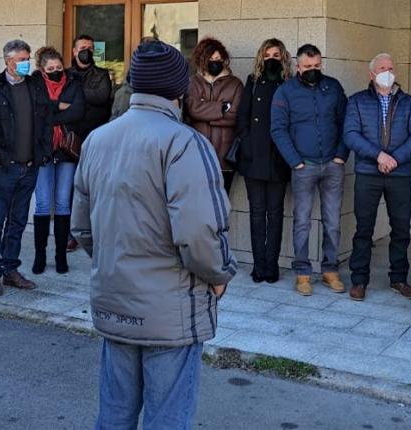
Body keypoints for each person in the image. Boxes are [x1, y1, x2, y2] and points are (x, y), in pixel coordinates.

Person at [73, 40, 236, 429]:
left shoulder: (98, 139)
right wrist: (218, 275)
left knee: (114, 414)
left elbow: (82, 226)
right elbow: (199, 233)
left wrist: (115, 261)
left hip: (115, 294)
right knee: (167, 417)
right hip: (170, 307)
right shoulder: (184, 143)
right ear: (179, 89)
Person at [344, 53, 411, 301]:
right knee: (364, 229)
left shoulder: (408, 102)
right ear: (371, 74)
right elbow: (350, 134)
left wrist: (395, 159)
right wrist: (379, 156)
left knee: (401, 228)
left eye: (390, 68)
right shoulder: (357, 101)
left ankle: (399, 278)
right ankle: (359, 280)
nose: (387, 71)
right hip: (368, 173)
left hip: (399, 174)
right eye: (382, 68)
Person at [270, 44, 348, 297]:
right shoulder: (285, 91)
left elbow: (346, 123)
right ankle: (302, 273)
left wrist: (340, 155)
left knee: (333, 221)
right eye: (307, 67)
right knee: (302, 221)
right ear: (297, 65)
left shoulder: (333, 87)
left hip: (332, 165)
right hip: (303, 166)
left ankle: (330, 270)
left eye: (316, 66)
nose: (312, 70)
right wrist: (295, 161)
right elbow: (278, 129)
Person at [0, 39, 51, 297]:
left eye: (27, 58)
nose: (25, 63)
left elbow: (45, 121)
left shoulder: (35, 85)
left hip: (29, 166)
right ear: (7, 61)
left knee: (18, 221)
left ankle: (10, 268)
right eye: (21, 59)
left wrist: (42, 154)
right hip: (3, 167)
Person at [236, 39, 292, 284]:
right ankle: (259, 266)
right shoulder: (253, 82)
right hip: (254, 159)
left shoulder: (289, 84)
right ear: (261, 57)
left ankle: (272, 266)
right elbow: (242, 119)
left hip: (279, 158)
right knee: (257, 213)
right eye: (267, 54)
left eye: (276, 54)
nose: (271, 58)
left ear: (283, 58)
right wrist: (248, 146)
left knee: (276, 213)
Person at [31, 47, 85, 275]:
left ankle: (61, 255)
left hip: (66, 150)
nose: (55, 72)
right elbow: (35, 112)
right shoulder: (34, 84)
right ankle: (40, 255)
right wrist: (58, 107)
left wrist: (49, 114)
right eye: (50, 69)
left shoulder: (73, 81)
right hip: (42, 149)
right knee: (43, 204)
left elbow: (78, 112)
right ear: (42, 70)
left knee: (63, 202)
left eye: (58, 68)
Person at [65, 34, 112, 253]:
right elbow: (59, 101)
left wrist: (74, 96)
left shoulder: (102, 74)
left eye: (91, 48)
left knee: (94, 188)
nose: (87, 51)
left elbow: (102, 97)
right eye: (83, 47)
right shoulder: (64, 74)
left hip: (95, 138)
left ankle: (94, 232)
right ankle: (71, 233)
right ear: (74, 51)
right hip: (71, 139)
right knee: (71, 188)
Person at [185, 37, 244, 191]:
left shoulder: (235, 84)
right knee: (199, 202)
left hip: (225, 156)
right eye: (211, 59)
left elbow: (236, 115)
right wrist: (221, 108)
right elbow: (192, 110)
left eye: (218, 58)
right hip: (197, 155)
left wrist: (206, 116)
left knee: (222, 203)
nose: (215, 62)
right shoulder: (193, 83)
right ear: (202, 60)